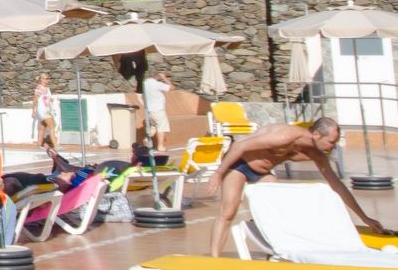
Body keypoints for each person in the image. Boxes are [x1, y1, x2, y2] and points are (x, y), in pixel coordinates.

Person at [197, 117, 395, 256]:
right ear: (316, 135)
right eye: (331, 142)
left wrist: (365, 219)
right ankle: (215, 258)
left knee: (278, 209)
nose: (333, 146)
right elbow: (239, 146)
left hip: (262, 173)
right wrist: (218, 173)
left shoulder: (316, 154)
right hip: (239, 164)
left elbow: (338, 187)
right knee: (229, 212)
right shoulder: (284, 136)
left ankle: (275, 251)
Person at [142, 71, 172, 154]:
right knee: (161, 127)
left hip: (149, 110)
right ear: (157, 76)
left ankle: (147, 139)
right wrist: (164, 79)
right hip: (158, 109)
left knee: (153, 127)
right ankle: (160, 146)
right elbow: (171, 88)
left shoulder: (144, 83)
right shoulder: (156, 84)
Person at [32, 74, 57, 150]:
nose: (47, 80)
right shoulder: (39, 88)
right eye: (46, 78)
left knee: (42, 127)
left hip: (47, 110)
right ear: (41, 79)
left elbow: (47, 99)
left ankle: (39, 145)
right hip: (42, 110)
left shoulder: (47, 88)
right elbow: (35, 100)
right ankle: (56, 145)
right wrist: (33, 110)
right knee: (52, 126)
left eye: (48, 78)